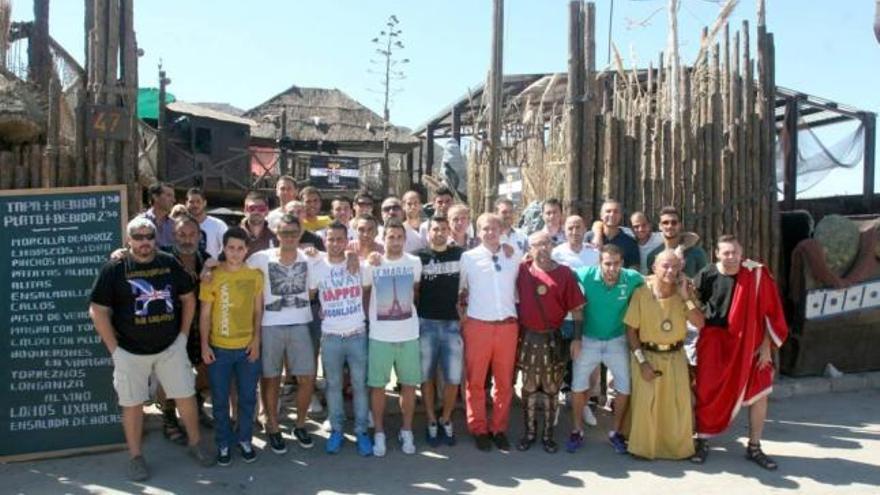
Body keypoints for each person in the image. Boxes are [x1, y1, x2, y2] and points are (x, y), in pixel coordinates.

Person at [89, 217, 214, 481]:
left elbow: (188, 298)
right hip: (129, 351)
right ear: (129, 240)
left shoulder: (169, 263)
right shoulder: (115, 268)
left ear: (155, 239)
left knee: (185, 395)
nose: (144, 242)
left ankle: (195, 443)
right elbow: (98, 310)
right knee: (132, 404)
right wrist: (114, 350)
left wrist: (181, 337)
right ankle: (135, 456)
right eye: (138, 237)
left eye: (149, 236)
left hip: (170, 347)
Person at [691, 235, 789, 470]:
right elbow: (695, 305)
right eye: (726, 253)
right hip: (714, 342)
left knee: (760, 392)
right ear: (717, 254)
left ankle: (754, 446)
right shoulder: (706, 274)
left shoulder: (756, 274)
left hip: (750, 345)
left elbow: (770, 314)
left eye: (735, 252)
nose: (731, 257)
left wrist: (766, 347)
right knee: (706, 391)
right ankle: (702, 440)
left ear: (741, 251)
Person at [246, 214, 317, 454]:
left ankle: (300, 424)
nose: (289, 237)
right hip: (270, 325)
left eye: (293, 233)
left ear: (300, 234)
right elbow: (234, 265)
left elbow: (341, 258)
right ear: (276, 234)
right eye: (284, 233)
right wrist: (209, 265)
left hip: (300, 324)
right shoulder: (260, 258)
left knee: (307, 377)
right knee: (271, 377)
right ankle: (273, 426)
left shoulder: (311, 258)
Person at [624, 250, 705, 460]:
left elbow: (699, 323)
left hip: (675, 356)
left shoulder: (683, 293)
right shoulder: (641, 293)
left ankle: (676, 449)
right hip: (647, 355)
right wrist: (642, 363)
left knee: (676, 405)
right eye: (665, 266)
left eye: (675, 267)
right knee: (647, 404)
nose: (670, 271)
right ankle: (643, 447)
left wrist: (686, 297)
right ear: (654, 268)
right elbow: (631, 330)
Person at [568, 244, 643, 454]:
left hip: (617, 340)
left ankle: (615, 432)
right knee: (578, 386)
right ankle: (577, 430)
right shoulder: (584, 275)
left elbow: (652, 283)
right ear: (599, 263)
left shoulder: (632, 278)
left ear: (622, 263)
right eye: (607, 264)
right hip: (588, 339)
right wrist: (575, 338)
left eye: (616, 264)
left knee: (624, 388)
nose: (612, 268)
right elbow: (562, 279)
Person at [515, 232, 585, 453]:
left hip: (554, 338)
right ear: (530, 248)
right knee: (528, 388)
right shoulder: (522, 269)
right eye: (536, 244)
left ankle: (548, 435)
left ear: (552, 245)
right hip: (528, 337)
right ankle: (529, 433)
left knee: (551, 388)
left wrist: (576, 339)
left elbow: (576, 310)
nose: (542, 248)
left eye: (546, 243)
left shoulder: (564, 273)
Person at [199, 227, 264, 465]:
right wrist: (204, 346)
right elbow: (205, 315)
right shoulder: (212, 276)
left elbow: (258, 310)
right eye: (230, 248)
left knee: (247, 397)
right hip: (219, 349)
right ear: (223, 249)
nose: (235, 253)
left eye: (240, 248)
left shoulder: (255, 275)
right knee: (219, 399)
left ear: (247, 250)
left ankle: (245, 439)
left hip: (247, 347)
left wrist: (256, 340)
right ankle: (223, 443)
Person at [458, 213, 522, 452]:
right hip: (478, 326)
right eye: (485, 228)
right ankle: (478, 428)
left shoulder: (513, 254)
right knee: (475, 382)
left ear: (501, 230)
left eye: (494, 228)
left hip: (507, 326)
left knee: (504, 383)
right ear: (478, 231)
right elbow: (461, 291)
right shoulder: (468, 258)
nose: (490, 232)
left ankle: (499, 428)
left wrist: (508, 247)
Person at [309, 222, 374, 456]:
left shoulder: (359, 265)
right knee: (333, 386)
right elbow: (311, 294)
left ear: (347, 241)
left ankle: (361, 431)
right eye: (331, 239)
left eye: (340, 239)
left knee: (359, 386)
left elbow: (368, 289)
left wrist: (353, 256)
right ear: (324, 241)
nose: (335, 243)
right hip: (331, 336)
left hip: (357, 334)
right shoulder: (316, 267)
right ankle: (336, 429)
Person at [362, 219, 423, 456]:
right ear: (383, 238)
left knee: (408, 385)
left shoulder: (415, 263)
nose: (395, 241)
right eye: (391, 237)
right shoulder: (372, 265)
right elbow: (366, 293)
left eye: (400, 237)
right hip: (380, 336)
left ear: (404, 240)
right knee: (377, 387)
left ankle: (406, 430)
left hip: (409, 334)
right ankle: (379, 432)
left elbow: (415, 291)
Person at [415, 215, 465, 447]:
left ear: (449, 232)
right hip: (426, 324)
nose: (440, 232)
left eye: (444, 229)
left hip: (452, 325)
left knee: (453, 377)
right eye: (435, 229)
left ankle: (446, 419)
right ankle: (432, 421)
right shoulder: (419, 258)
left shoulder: (460, 255)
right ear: (428, 232)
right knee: (426, 377)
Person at [551, 215, 600, 426]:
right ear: (564, 230)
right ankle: (556, 404)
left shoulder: (594, 253)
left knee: (584, 364)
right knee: (558, 362)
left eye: (578, 227)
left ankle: (585, 403)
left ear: (585, 228)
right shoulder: (557, 253)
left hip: (586, 316)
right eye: (570, 227)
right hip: (562, 317)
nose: (574, 231)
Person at [646, 206, 708, 278]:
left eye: (674, 222)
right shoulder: (653, 256)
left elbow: (705, 282)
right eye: (665, 222)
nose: (669, 226)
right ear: (660, 226)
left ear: (679, 225)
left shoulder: (697, 253)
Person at [586, 200, 640, 269]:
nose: (612, 214)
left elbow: (634, 268)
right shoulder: (589, 237)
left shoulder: (630, 242)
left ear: (621, 216)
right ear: (601, 215)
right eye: (608, 211)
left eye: (616, 212)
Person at [185, 187, 228, 259]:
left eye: (198, 201)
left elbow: (227, 247)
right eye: (191, 202)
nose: (195, 205)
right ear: (186, 203)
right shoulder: (180, 226)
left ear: (205, 203)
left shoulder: (218, 225)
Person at [241, 191, 277, 258]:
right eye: (252, 208)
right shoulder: (234, 236)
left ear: (267, 211)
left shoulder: (275, 238)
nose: (256, 212)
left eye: (261, 208)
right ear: (245, 210)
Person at [140, 182, 176, 248]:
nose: (173, 200)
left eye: (173, 197)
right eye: (169, 195)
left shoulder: (174, 225)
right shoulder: (140, 222)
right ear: (155, 197)